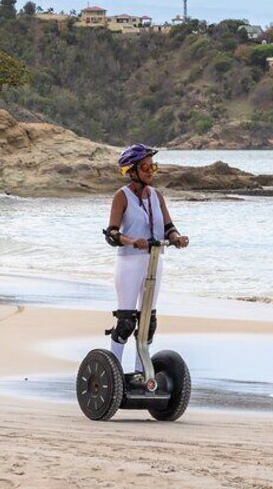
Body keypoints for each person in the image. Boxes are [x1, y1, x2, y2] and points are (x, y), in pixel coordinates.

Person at [103, 144, 189, 378]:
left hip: (155, 262)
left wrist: (176, 238)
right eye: (145, 167)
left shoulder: (157, 196)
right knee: (126, 322)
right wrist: (132, 241)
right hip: (130, 263)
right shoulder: (122, 197)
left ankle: (142, 373)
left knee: (148, 321)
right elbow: (111, 234)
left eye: (153, 166)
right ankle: (115, 373)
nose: (151, 171)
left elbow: (169, 227)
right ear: (131, 170)